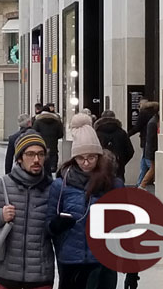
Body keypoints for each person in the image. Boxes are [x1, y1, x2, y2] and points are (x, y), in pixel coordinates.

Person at [46, 113, 122, 289]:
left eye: (91, 157)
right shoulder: (61, 184)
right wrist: (55, 225)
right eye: (81, 158)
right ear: (73, 158)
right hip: (71, 261)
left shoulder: (113, 183)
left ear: (99, 156)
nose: (86, 163)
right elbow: (48, 224)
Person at [0, 132, 54, 289]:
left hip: (41, 274)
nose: (36, 160)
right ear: (19, 158)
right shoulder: (0, 185)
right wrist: (0, 216)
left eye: (41, 154)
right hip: (7, 274)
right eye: (30, 154)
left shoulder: (53, 188)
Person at [94, 110, 134, 183]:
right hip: (119, 167)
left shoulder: (96, 133)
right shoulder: (122, 133)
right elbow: (130, 151)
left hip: (100, 167)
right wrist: (121, 161)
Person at [32, 107, 64, 173]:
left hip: (41, 145)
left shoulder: (37, 121)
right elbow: (61, 134)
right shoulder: (56, 121)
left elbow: (34, 133)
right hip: (53, 146)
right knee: (53, 161)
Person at [139, 105, 159, 189]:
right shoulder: (153, 123)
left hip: (150, 150)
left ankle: (141, 184)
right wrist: (151, 153)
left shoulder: (153, 122)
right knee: (152, 169)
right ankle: (142, 185)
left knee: (147, 168)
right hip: (151, 151)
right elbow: (151, 140)